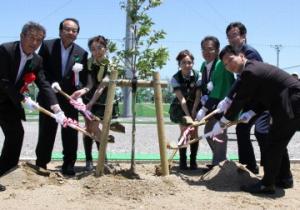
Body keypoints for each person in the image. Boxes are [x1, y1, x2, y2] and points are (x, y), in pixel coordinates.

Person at [211, 45, 300, 194]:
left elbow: (240, 100)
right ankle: (284, 178)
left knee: (273, 142)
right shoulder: (252, 70)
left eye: (231, 60)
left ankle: (267, 184)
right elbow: (263, 96)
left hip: (291, 102)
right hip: (288, 102)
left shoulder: (250, 71)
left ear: (241, 55)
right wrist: (252, 112)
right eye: (225, 64)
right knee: (277, 142)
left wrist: (223, 122)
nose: (229, 66)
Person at [0, 21, 65, 190]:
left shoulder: (37, 59)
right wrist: (23, 99)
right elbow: (3, 81)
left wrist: (56, 108)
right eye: (32, 37)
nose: (35, 43)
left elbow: (43, 83)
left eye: (39, 40)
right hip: (6, 94)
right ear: (22, 36)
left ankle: (5, 172)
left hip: (9, 103)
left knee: (16, 134)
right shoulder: (5, 50)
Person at [35, 18, 88, 176]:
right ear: (60, 31)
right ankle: (42, 163)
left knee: (70, 133)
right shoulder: (47, 46)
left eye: (74, 30)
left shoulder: (82, 53)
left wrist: (78, 93)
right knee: (46, 131)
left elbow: (82, 80)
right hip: (48, 97)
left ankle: (69, 164)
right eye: (67, 29)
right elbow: (40, 71)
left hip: (68, 99)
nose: (71, 32)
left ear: (77, 34)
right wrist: (50, 88)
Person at [218, 22, 270, 174]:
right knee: (242, 129)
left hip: (263, 100)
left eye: (234, 35)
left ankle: (274, 171)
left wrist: (230, 102)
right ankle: (248, 165)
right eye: (229, 37)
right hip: (253, 99)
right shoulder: (236, 56)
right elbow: (240, 80)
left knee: (262, 133)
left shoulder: (250, 53)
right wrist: (227, 99)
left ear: (243, 36)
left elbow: (249, 82)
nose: (231, 39)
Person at [71, 35, 119, 171]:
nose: (96, 51)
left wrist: (91, 102)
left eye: (99, 47)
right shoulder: (90, 62)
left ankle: (103, 158)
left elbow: (102, 86)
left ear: (105, 48)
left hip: (104, 99)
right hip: (90, 97)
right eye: (93, 49)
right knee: (88, 128)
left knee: (93, 127)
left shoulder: (112, 63)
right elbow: (91, 83)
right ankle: (89, 160)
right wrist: (82, 92)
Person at [195, 36, 235, 169]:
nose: (207, 52)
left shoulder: (221, 65)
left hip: (223, 103)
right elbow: (205, 86)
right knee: (209, 131)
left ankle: (219, 163)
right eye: (204, 49)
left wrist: (204, 109)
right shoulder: (203, 65)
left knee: (218, 132)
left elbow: (219, 89)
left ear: (217, 50)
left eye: (210, 49)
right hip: (211, 103)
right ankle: (220, 160)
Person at [169, 50, 201, 170]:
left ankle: (193, 161)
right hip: (181, 108)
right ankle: (183, 161)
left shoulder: (198, 75)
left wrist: (193, 112)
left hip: (195, 106)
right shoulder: (175, 78)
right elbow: (181, 99)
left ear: (193, 63)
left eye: (189, 62)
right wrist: (188, 115)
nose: (187, 65)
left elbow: (198, 95)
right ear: (179, 64)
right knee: (184, 133)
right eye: (183, 63)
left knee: (194, 133)